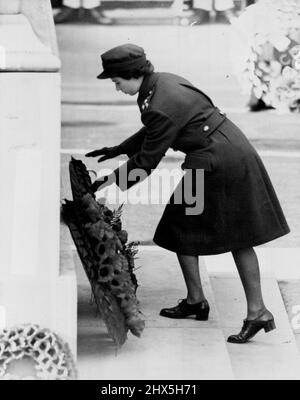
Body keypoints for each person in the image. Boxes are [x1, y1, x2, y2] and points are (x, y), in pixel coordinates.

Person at [86, 44, 290, 344]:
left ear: (131, 75)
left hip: (216, 165)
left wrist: (110, 181)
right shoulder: (163, 82)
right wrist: (119, 149)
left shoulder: (159, 102)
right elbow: (155, 131)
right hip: (223, 154)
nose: (117, 88)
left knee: (202, 231)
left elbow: (147, 161)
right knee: (194, 229)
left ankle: (252, 311)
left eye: (117, 82)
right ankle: (201, 301)